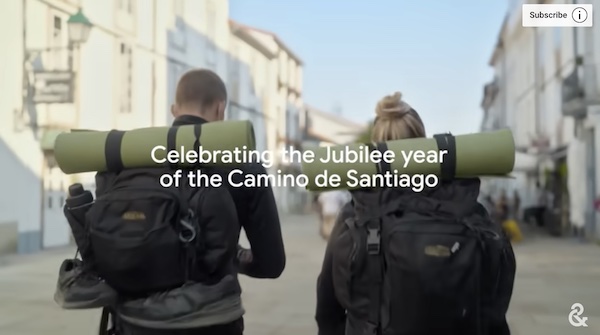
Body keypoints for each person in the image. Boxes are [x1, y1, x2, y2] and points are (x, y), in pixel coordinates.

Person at [57, 69, 286, 335]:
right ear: (221, 109)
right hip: (210, 323)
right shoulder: (244, 167)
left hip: (131, 324)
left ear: (173, 109)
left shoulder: (127, 158)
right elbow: (271, 264)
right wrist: (233, 256)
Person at [315, 92, 516, 335]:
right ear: (423, 143)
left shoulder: (355, 215)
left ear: (374, 147)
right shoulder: (468, 209)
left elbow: (328, 309)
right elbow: (495, 305)